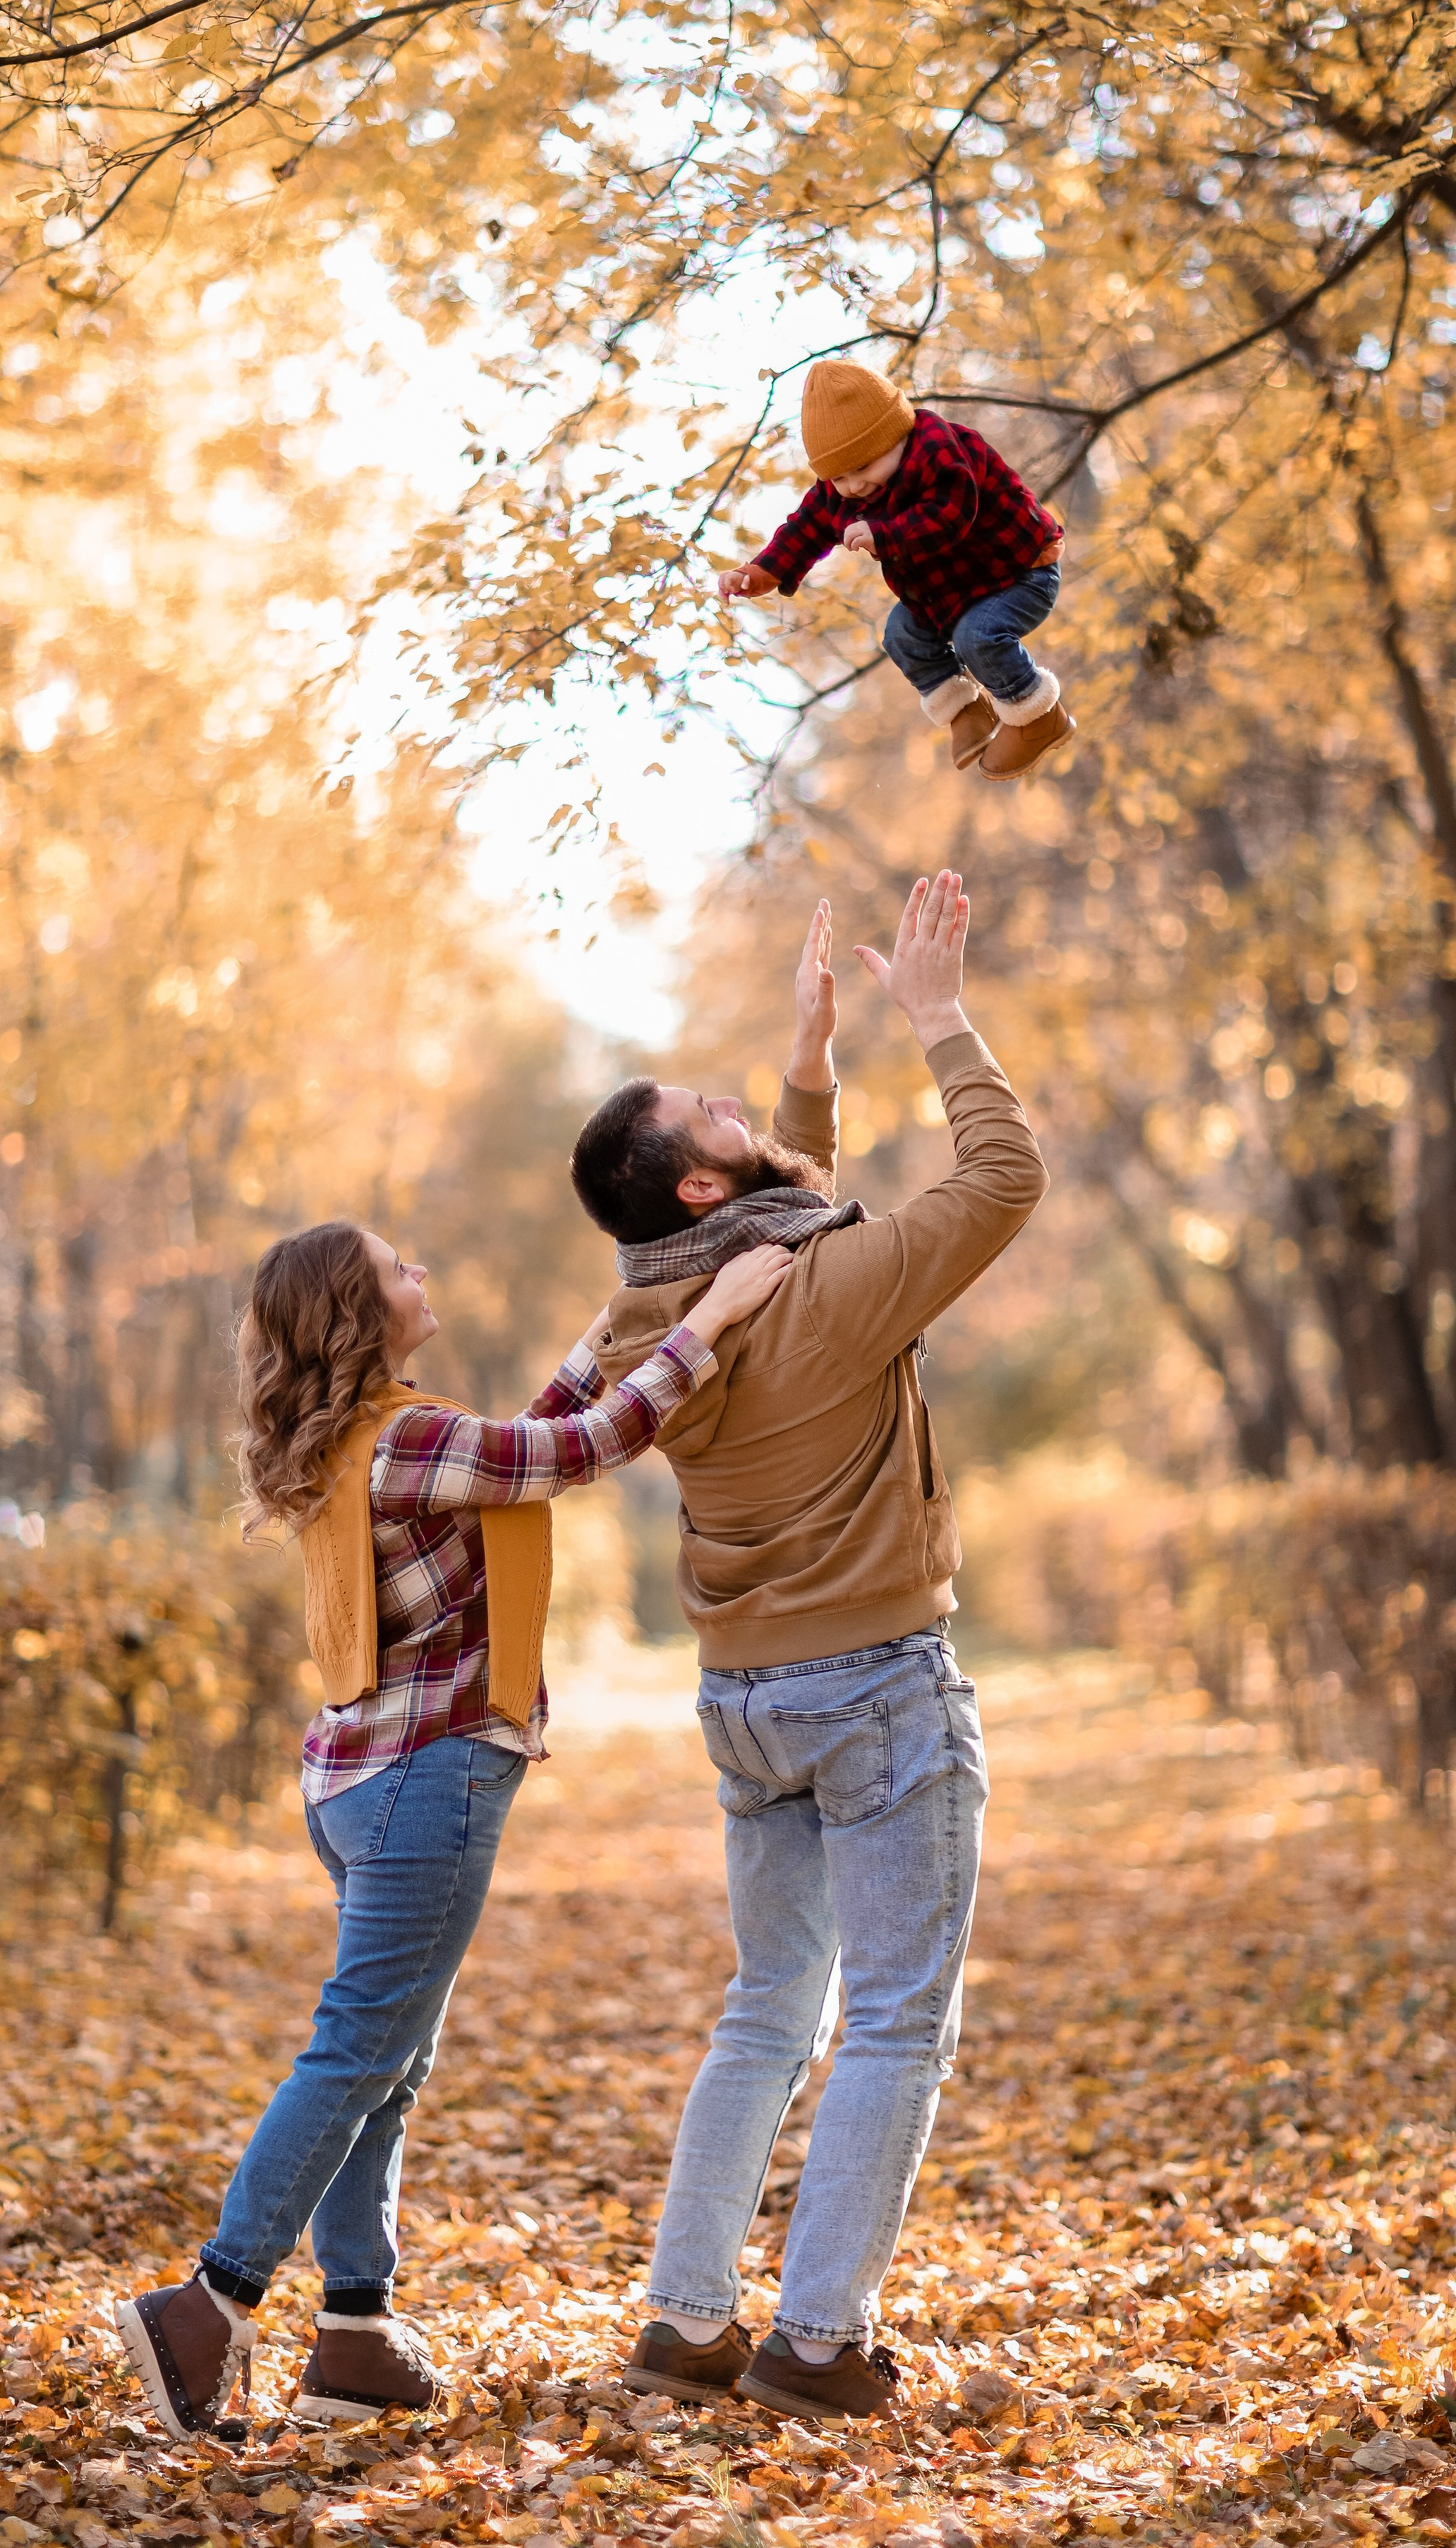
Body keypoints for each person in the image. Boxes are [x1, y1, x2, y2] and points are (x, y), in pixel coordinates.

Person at [114, 1218, 792, 2440]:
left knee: (388, 2063)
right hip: (428, 1780)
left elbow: (523, 1447)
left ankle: (357, 2335)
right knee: (358, 2051)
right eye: (397, 1268)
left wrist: (612, 1328)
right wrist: (713, 1321)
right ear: (359, 1314)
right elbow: (576, 1450)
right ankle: (208, 2305)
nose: (422, 1270)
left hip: (361, 1782)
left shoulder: (375, 1439)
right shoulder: (407, 1439)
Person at [569, 874, 1048, 2423]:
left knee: (768, 2004)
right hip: (879, 1697)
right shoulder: (830, 1294)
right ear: (699, 1192)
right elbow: (1002, 1178)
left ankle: (688, 2316)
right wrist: (938, 1020)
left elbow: (794, 1218)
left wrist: (806, 1066)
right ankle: (819, 2339)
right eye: (709, 1110)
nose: (733, 1103)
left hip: (746, 1703)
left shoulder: (658, 1324)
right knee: (897, 2015)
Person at [716, 360, 1075, 781]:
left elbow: (951, 516)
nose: (853, 487)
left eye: (864, 469)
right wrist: (763, 571)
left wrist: (886, 535)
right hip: (951, 590)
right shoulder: (844, 488)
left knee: (977, 637)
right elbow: (806, 528)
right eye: (839, 478)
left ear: (896, 435)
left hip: (1019, 571)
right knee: (901, 635)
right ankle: (967, 713)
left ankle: (1037, 716)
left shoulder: (940, 450)